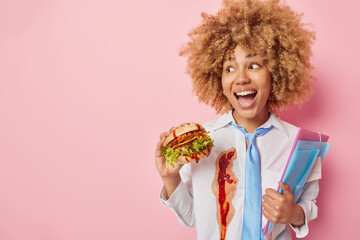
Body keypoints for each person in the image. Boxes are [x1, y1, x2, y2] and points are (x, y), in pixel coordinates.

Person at [155, 0, 320, 239]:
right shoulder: (203, 141)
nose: (241, 78)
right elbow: (192, 216)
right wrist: (170, 178)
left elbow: (309, 205)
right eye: (229, 68)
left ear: (276, 71)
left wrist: (293, 213)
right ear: (217, 77)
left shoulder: (299, 144)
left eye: (253, 65)